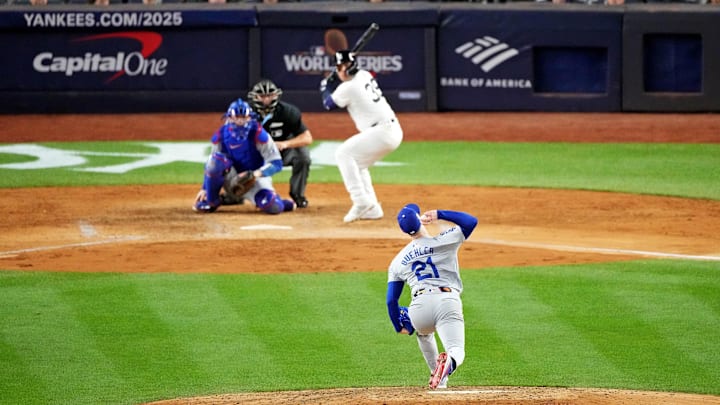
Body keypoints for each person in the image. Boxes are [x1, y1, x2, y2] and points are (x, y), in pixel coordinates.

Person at [386, 203, 478, 390]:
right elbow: (470, 221)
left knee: (423, 332)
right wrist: (439, 214)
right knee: (456, 350)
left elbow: (391, 300)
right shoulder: (444, 240)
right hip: (446, 302)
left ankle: (439, 378)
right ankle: (448, 363)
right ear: (420, 221)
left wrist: (398, 325)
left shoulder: (397, 261)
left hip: (419, 309)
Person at [320, 50, 403, 223]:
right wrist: (337, 81)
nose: (341, 70)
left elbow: (328, 104)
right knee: (358, 164)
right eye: (339, 67)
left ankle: (360, 201)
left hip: (381, 131)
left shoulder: (348, 87)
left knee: (343, 153)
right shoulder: (364, 75)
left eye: (344, 66)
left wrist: (325, 87)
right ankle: (372, 207)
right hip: (390, 130)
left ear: (352, 66)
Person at [193, 98, 296, 214]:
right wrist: (205, 188)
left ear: (250, 118)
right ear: (229, 118)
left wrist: (254, 175)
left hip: (254, 178)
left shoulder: (259, 134)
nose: (240, 121)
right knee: (215, 161)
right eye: (237, 118)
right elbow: (211, 164)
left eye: (243, 118)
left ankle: (282, 202)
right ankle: (211, 201)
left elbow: (276, 163)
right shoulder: (221, 134)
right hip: (231, 178)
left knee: (274, 208)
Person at [246, 79, 313, 208]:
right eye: (262, 96)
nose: (266, 100)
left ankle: (298, 195)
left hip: (282, 152)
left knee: (303, 156)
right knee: (236, 158)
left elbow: (307, 138)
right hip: (257, 153)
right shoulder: (246, 113)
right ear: (255, 97)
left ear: (276, 95)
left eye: (269, 96)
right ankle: (233, 195)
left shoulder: (288, 112)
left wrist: (285, 144)